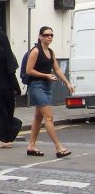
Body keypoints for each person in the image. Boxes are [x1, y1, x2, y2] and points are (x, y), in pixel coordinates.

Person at [25, 26, 75, 158]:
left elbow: (57, 70)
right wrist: (46, 75)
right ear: (40, 36)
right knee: (49, 117)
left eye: (51, 35)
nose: (49, 37)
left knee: (38, 118)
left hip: (47, 86)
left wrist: (67, 82)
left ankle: (31, 146)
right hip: (37, 86)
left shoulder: (51, 52)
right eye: (46, 35)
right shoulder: (35, 51)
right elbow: (28, 70)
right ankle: (59, 148)